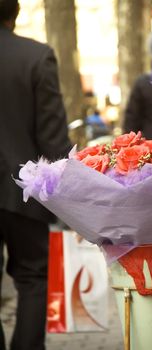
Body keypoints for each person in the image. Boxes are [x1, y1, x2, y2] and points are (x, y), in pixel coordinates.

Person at [0, 1, 72, 349]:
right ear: (13, 15)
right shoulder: (36, 57)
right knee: (33, 277)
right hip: (23, 192)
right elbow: (53, 139)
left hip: (20, 192)